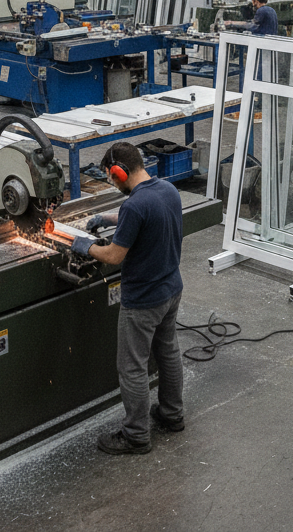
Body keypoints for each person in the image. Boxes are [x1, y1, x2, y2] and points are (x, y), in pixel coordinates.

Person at [72, 142, 184, 454]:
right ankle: (172, 415)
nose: (112, 183)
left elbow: (113, 256)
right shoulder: (168, 190)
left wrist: (85, 246)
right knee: (168, 353)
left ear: (119, 172)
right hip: (171, 289)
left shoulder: (135, 206)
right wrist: (107, 218)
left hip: (144, 301)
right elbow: (142, 212)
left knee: (132, 367)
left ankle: (136, 435)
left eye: (111, 177)